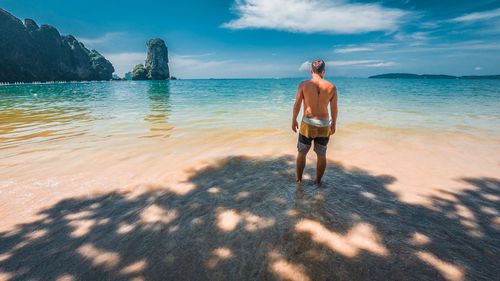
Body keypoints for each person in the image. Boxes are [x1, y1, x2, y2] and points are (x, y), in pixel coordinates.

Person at [292, 59, 338, 185]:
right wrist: (334, 123)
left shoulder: (303, 85)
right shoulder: (331, 87)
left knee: (302, 153)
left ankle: (299, 179)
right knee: (321, 155)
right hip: (323, 125)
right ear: (324, 71)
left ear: (311, 70)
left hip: (307, 124)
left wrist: (293, 120)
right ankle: (318, 181)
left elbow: (297, 105)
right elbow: (334, 109)